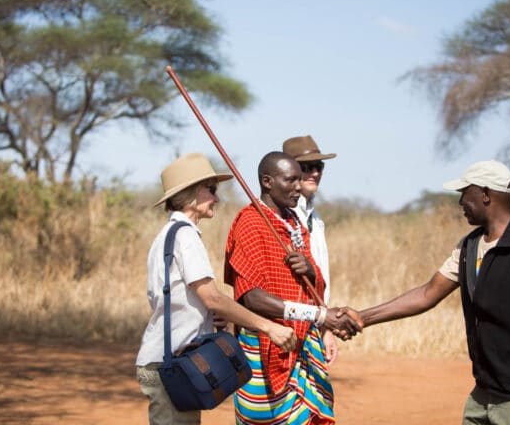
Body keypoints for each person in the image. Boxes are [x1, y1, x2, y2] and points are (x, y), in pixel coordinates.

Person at [356, 160, 510, 425]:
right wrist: (362, 317)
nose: (460, 202)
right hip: (482, 395)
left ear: (485, 194)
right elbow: (427, 293)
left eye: (464, 193)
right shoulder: (470, 247)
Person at [136, 153, 298, 425]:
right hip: (171, 365)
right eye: (210, 190)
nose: (216, 198)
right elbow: (212, 297)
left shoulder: (167, 235)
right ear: (189, 194)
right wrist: (269, 327)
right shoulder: (185, 236)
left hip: (167, 361)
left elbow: (170, 300)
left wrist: (210, 317)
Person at [224, 151, 363, 425]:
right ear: (267, 182)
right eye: (290, 180)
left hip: (302, 344)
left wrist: (310, 270)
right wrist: (319, 317)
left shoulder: (294, 223)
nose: (299, 187)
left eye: (300, 180)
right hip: (265, 342)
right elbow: (250, 297)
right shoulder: (251, 223)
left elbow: (315, 286)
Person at [282, 135, 339, 365]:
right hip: (286, 328)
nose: (314, 173)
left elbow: (319, 279)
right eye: (306, 167)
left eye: (319, 166)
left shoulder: (315, 219)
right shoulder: (279, 217)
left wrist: (327, 329)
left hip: (315, 324)